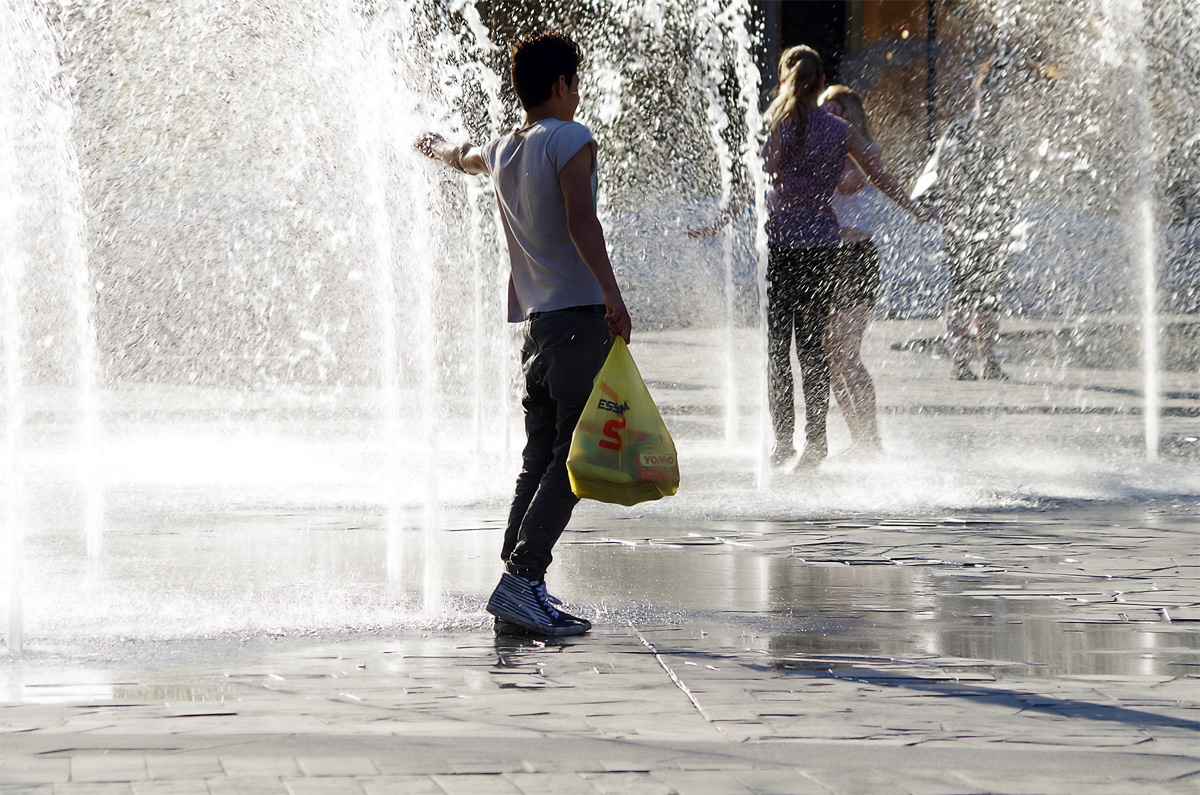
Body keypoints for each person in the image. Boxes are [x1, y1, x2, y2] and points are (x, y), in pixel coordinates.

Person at [415, 31, 631, 636]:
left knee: (539, 459)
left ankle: (519, 585)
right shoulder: (570, 138)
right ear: (561, 85)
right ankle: (523, 580)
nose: (579, 95)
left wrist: (433, 145)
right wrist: (613, 296)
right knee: (573, 461)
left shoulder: (504, 147)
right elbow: (580, 219)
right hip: (577, 325)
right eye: (577, 83)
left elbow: (463, 155)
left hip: (536, 333)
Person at [691, 46, 930, 470]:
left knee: (778, 351)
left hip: (783, 249)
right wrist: (916, 208)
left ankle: (784, 442)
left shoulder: (778, 126)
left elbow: (753, 184)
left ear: (786, 81)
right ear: (821, 84)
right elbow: (879, 175)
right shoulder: (840, 130)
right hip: (822, 249)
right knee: (813, 351)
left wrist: (718, 222)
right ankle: (816, 443)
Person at [913, 57, 1017, 381]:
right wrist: (953, 216)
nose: (993, 103)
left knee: (988, 295)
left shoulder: (1007, 135)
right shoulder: (959, 130)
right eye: (987, 96)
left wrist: (1007, 222)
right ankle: (960, 362)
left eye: (999, 97)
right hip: (962, 224)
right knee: (961, 292)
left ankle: (990, 362)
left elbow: (1013, 179)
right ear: (977, 96)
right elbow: (942, 174)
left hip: (995, 224)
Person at [818, 85, 885, 455]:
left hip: (854, 257)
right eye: (826, 112)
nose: (833, 118)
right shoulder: (821, 148)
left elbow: (847, 182)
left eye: (839, 112)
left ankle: (872, 439)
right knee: (830, 357)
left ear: (854, 116)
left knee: (847, 354)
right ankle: (857, 438)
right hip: (824, 254)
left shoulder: (867, 151)